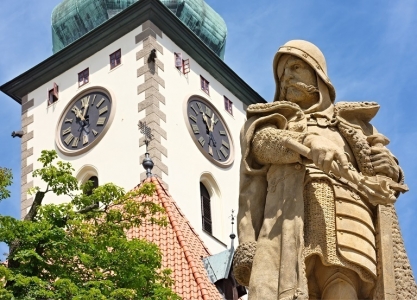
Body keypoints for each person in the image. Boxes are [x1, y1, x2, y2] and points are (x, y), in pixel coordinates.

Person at [233, 40, 405, 299]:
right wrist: (307, 143)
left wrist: (390, 168)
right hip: (290, 221)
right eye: (282, 75)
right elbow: (262, 145)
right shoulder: (276, 120)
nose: (287, 78)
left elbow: (388, 173)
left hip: (351, 222)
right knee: (289, 287)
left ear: (317, 73)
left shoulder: (355, 126)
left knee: (342, 283)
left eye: (295, 68)